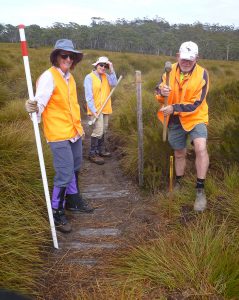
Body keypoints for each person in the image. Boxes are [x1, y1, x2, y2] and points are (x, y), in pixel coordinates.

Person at [25, 39, 93, 233]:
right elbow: (39, 103)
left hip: (74, 131)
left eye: (71, 56)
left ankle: (73, 201)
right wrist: (32, 108)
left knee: (75, 167)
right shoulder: (49, 77)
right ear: (56, 57)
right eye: (64, 55)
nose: (68, 59)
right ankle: (56, 212)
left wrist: (79, 128)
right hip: (58, 134)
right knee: (64, 173)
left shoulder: (69, 77)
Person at [155, 41, 209, 212]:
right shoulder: (169, 70)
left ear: (196, 59)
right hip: (174, 119)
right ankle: (179, 182)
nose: (186, 62)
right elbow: (158, 89)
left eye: (190, 60)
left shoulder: (203, 74)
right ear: (178, 56)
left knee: (200, 148)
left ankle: (200, 190)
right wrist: (160, 92)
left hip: (195, 116)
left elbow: (196, 104)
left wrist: (174, 108)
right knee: (179, 152)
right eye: (183, 59)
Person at [84, 56, 117, 164]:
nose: (103, 67)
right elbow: (89, 96)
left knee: (104, 129)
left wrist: (111, 68)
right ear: (96, 65)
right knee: (98, 130)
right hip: (96, 109)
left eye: (105, 66)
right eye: (101, 65)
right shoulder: (89, 77)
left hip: (106, 108)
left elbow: (114, 83)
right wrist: (94, 111)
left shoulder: (106, 76)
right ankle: (93, 154)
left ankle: (100, 150)